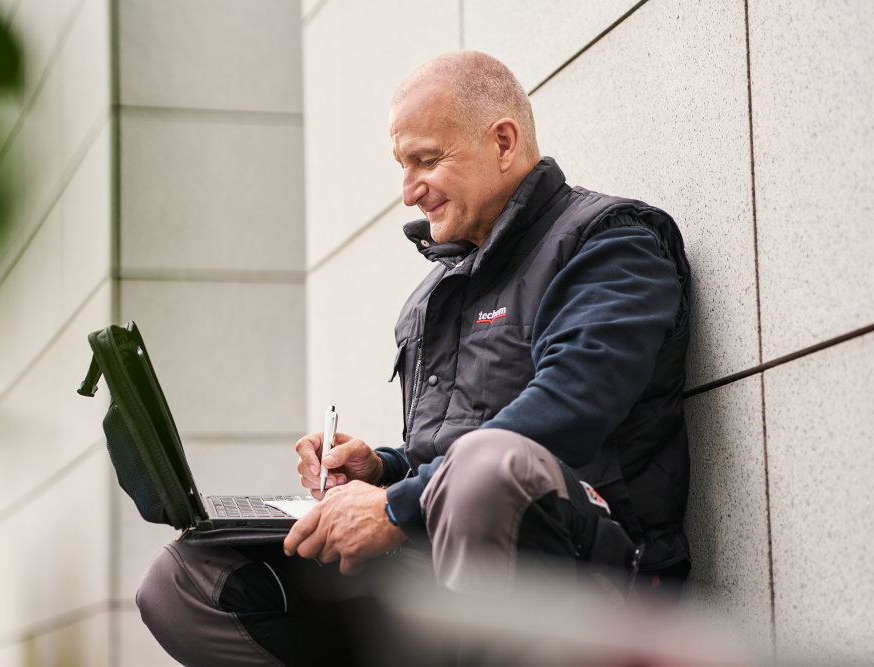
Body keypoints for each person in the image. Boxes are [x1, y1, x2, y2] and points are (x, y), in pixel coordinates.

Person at [136, 50, 692, 666]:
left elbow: (569, 410)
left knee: (487, 469)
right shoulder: (434, 295)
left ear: (503, 142)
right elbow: (442, 453)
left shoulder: (611, 241)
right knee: (186, 579)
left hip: (597, 587)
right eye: (402, 167)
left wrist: (396, 507)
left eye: (426, 161)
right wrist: (380, 469)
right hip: (432, 565)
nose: (408, 193)